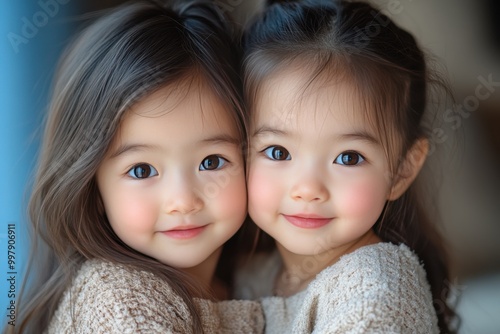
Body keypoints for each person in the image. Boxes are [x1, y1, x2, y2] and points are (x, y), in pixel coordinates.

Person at [11, 1, 263, 333]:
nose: (183, 200)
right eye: (142, 170)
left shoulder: (255, 278)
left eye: (211, 162)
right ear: (93, 188)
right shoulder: (120, 305)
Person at [236, 0, 456, 333]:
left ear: (402, 170)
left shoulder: (378, 295)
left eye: (348, 157)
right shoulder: (249, 275)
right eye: (278, 152)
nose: (308, 188)